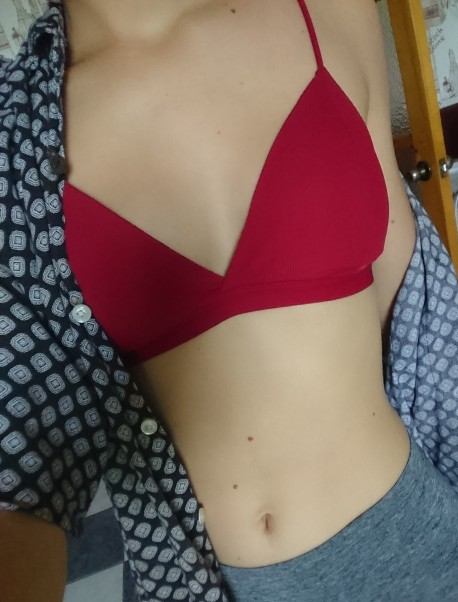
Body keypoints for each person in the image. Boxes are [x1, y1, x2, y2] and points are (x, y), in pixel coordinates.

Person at [1, 1, 458, 601]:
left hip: (419, 541)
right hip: (213, 585)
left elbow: (419, 320)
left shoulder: (330, 9)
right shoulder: (17, 134)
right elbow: (22, 470)